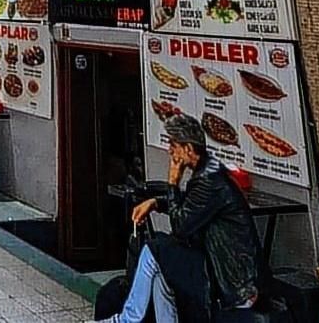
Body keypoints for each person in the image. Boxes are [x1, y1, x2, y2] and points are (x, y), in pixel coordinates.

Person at [89, 115, 263, 323]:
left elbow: (181, 226)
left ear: (188, 149)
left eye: (173, 145)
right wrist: (156, 202)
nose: (170, 151)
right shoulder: (207, 173)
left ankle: (127, 319)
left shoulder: (209, 182)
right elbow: (192, 209)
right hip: (221, 267)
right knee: (162, 263)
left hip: (232, 281)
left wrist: (172, 183)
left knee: (156, 248)